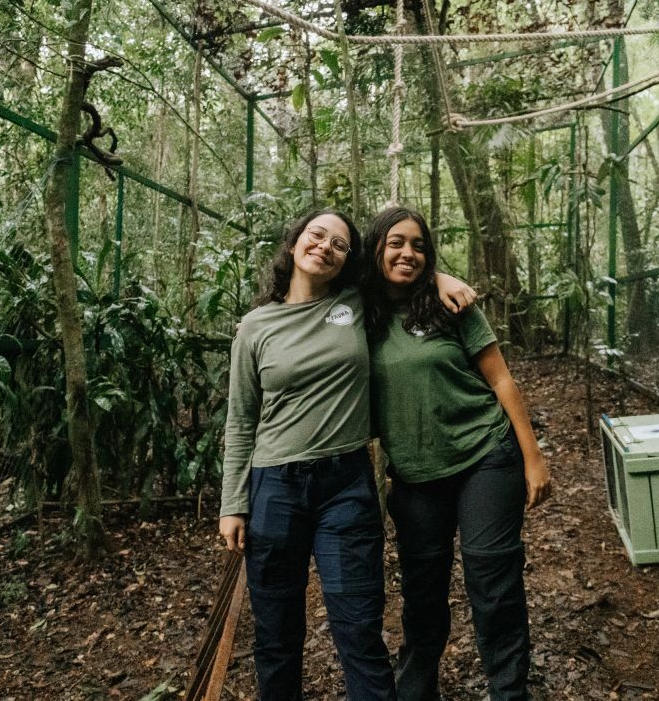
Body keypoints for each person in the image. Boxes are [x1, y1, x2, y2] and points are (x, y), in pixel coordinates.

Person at [219, 208, 476, 701]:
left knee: (359, 627)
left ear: (347, 261)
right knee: (276, 633)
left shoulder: (357, 302)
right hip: (274, 487)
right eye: (317, 235)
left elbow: (403, 267)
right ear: (294, 242)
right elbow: (241, 419)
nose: (326, 247)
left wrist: (441, 273)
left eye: (340, 245)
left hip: (346, 486)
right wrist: (233, 502)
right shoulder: (255, 327)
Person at [361, 206, 552, 701]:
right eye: (397, 243)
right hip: (415, 475)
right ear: (376, 248)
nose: (409, 253)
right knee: (423, 592)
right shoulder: (359, 314)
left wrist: (533, 456)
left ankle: (510, 692)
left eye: (420, 246)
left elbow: (501, 379)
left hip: (485, 455)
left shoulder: (451, 305)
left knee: (493, 583)